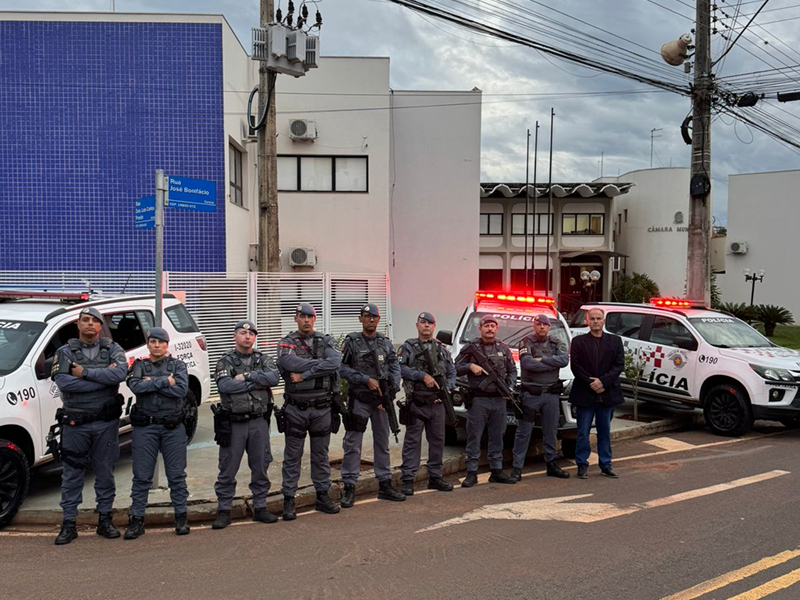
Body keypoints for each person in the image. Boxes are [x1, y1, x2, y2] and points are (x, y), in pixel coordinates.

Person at [50, 307, 128, 545]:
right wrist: (102, 378)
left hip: (105, 424)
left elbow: (120, 374)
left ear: (100, 326)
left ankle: (104, 520)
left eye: (95, 321)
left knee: (105, 473)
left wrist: (82, 373)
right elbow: (64, 382)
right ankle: (69, 523)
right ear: (78, 324)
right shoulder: (64, 352)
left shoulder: (113, 349)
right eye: (86, 320)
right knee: (72, 474)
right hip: (75, 424)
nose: (91, 325)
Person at [210, 320, 281, 530]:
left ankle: (260, 507)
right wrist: (258, 382)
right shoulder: (226, 361)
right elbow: (225, 385)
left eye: (251, 333)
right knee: (228, 468)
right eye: (243, 333)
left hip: (259, 422)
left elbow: (274, 378)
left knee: (260, 465)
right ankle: (224, 510)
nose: (247, 336)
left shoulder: (263, 359)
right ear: (235, 336)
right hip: (234, 424)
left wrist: (247, 376)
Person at [277, 303, 342, 520]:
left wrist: (305, 373)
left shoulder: (326, 340)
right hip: (296, 408)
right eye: (302, 316)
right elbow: (287, 361)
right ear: (296, 318)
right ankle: (289, 500)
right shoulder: (287, 341)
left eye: (310, 317)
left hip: (322, 408)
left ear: (315, 319)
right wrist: (319, 364)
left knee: (321, 456)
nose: (306, 320)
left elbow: (335, 362)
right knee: (292, 456)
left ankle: (322, 496)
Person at [124, 327, 190, 539]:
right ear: (148, 344)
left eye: (161, 342)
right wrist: (165, 382)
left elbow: (180, 390)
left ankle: (181, 517)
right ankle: (136, 520)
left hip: (172, 428)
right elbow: (135, 387)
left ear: (167, 344)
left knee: (176, 476)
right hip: (146, 428)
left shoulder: (178, 365)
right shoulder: (139, 365)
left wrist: (151, 383)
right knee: (142, 476)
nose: (157, 345)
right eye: (153, 342)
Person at [339, 303, 405, 508]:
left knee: (382, 444)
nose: (371, 320)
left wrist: (391, 391)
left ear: (378, 320)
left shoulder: (385, 343)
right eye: (367, 317)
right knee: (353, 444)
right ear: (361, 319)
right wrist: (364, 379)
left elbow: (395, 366)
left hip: (380, 402)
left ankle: (385, 484)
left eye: (374, 317)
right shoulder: (352, 342)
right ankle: (349, 486)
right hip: (359, 399)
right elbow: (342, 368)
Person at [398, 312, 456, 495]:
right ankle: (407, 479)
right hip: (417, 402)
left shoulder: (442, 349)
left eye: (429, 323)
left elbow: (451, 372)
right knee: (412, 441)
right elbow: (400, 368)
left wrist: (448, 389)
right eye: (422, 323)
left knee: (438, 441)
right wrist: (422, 376)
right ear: (417, 326)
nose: (426, 326)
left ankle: (435, 477)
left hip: (438, 404)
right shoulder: (408, 347)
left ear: (434, 326)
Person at [455, 315, 517, 487]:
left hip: (499, 400)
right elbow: (454, 368)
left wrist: (510, 386)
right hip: (478, 400)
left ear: (497, 329)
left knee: (498, 436)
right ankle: (472, 472)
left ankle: (496, 470)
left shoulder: (503, 349)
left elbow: (512, 371)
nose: (490, 329)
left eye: (493, 326)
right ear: (480, 328)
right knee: (474, 436)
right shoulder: (470, 348)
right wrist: (470, 366)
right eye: (486, 326)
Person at [511, 314, 570, 481]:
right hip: (531, 395)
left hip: (551, 395)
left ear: (549, 327)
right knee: (523, 433)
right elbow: (528, 363)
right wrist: (551, 363)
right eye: (539, 324)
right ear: (534, 325)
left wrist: (542, 359)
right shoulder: (526, 341)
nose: (542, 327)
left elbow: (564, 360)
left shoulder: (556, 342)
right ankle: (517, 468)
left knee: (551, 432)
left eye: (545, 324)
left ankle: (552, 465)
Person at [569, 308, 625, 479]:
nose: (595, 321)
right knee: (583, 432)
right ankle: (582, 464)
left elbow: (619, 365)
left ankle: (606, 465)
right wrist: (591, 382)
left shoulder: (615, 341)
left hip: (606, 394)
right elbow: (575, 366)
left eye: (598, 318)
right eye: (592, 318)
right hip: (585, 393)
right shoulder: (578, 341)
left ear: (603, 321)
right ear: (587, 320)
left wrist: (602, 382)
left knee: (604, 431)